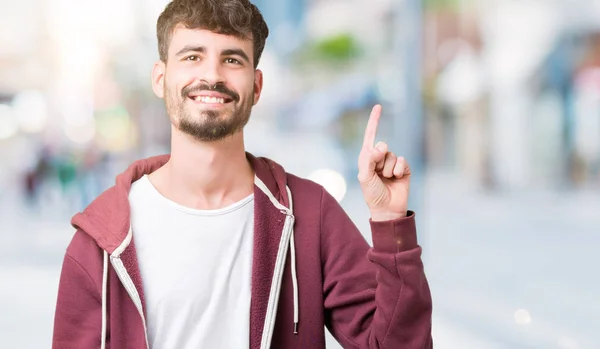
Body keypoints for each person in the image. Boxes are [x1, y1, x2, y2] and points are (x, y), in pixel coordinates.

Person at [51, 0, 433, 348]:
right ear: (159, 78)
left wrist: (389, 222)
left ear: (256, 86)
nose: (212, 76)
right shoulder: (101, 243)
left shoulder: (312, 215)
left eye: (232, 60)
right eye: (192, 57)